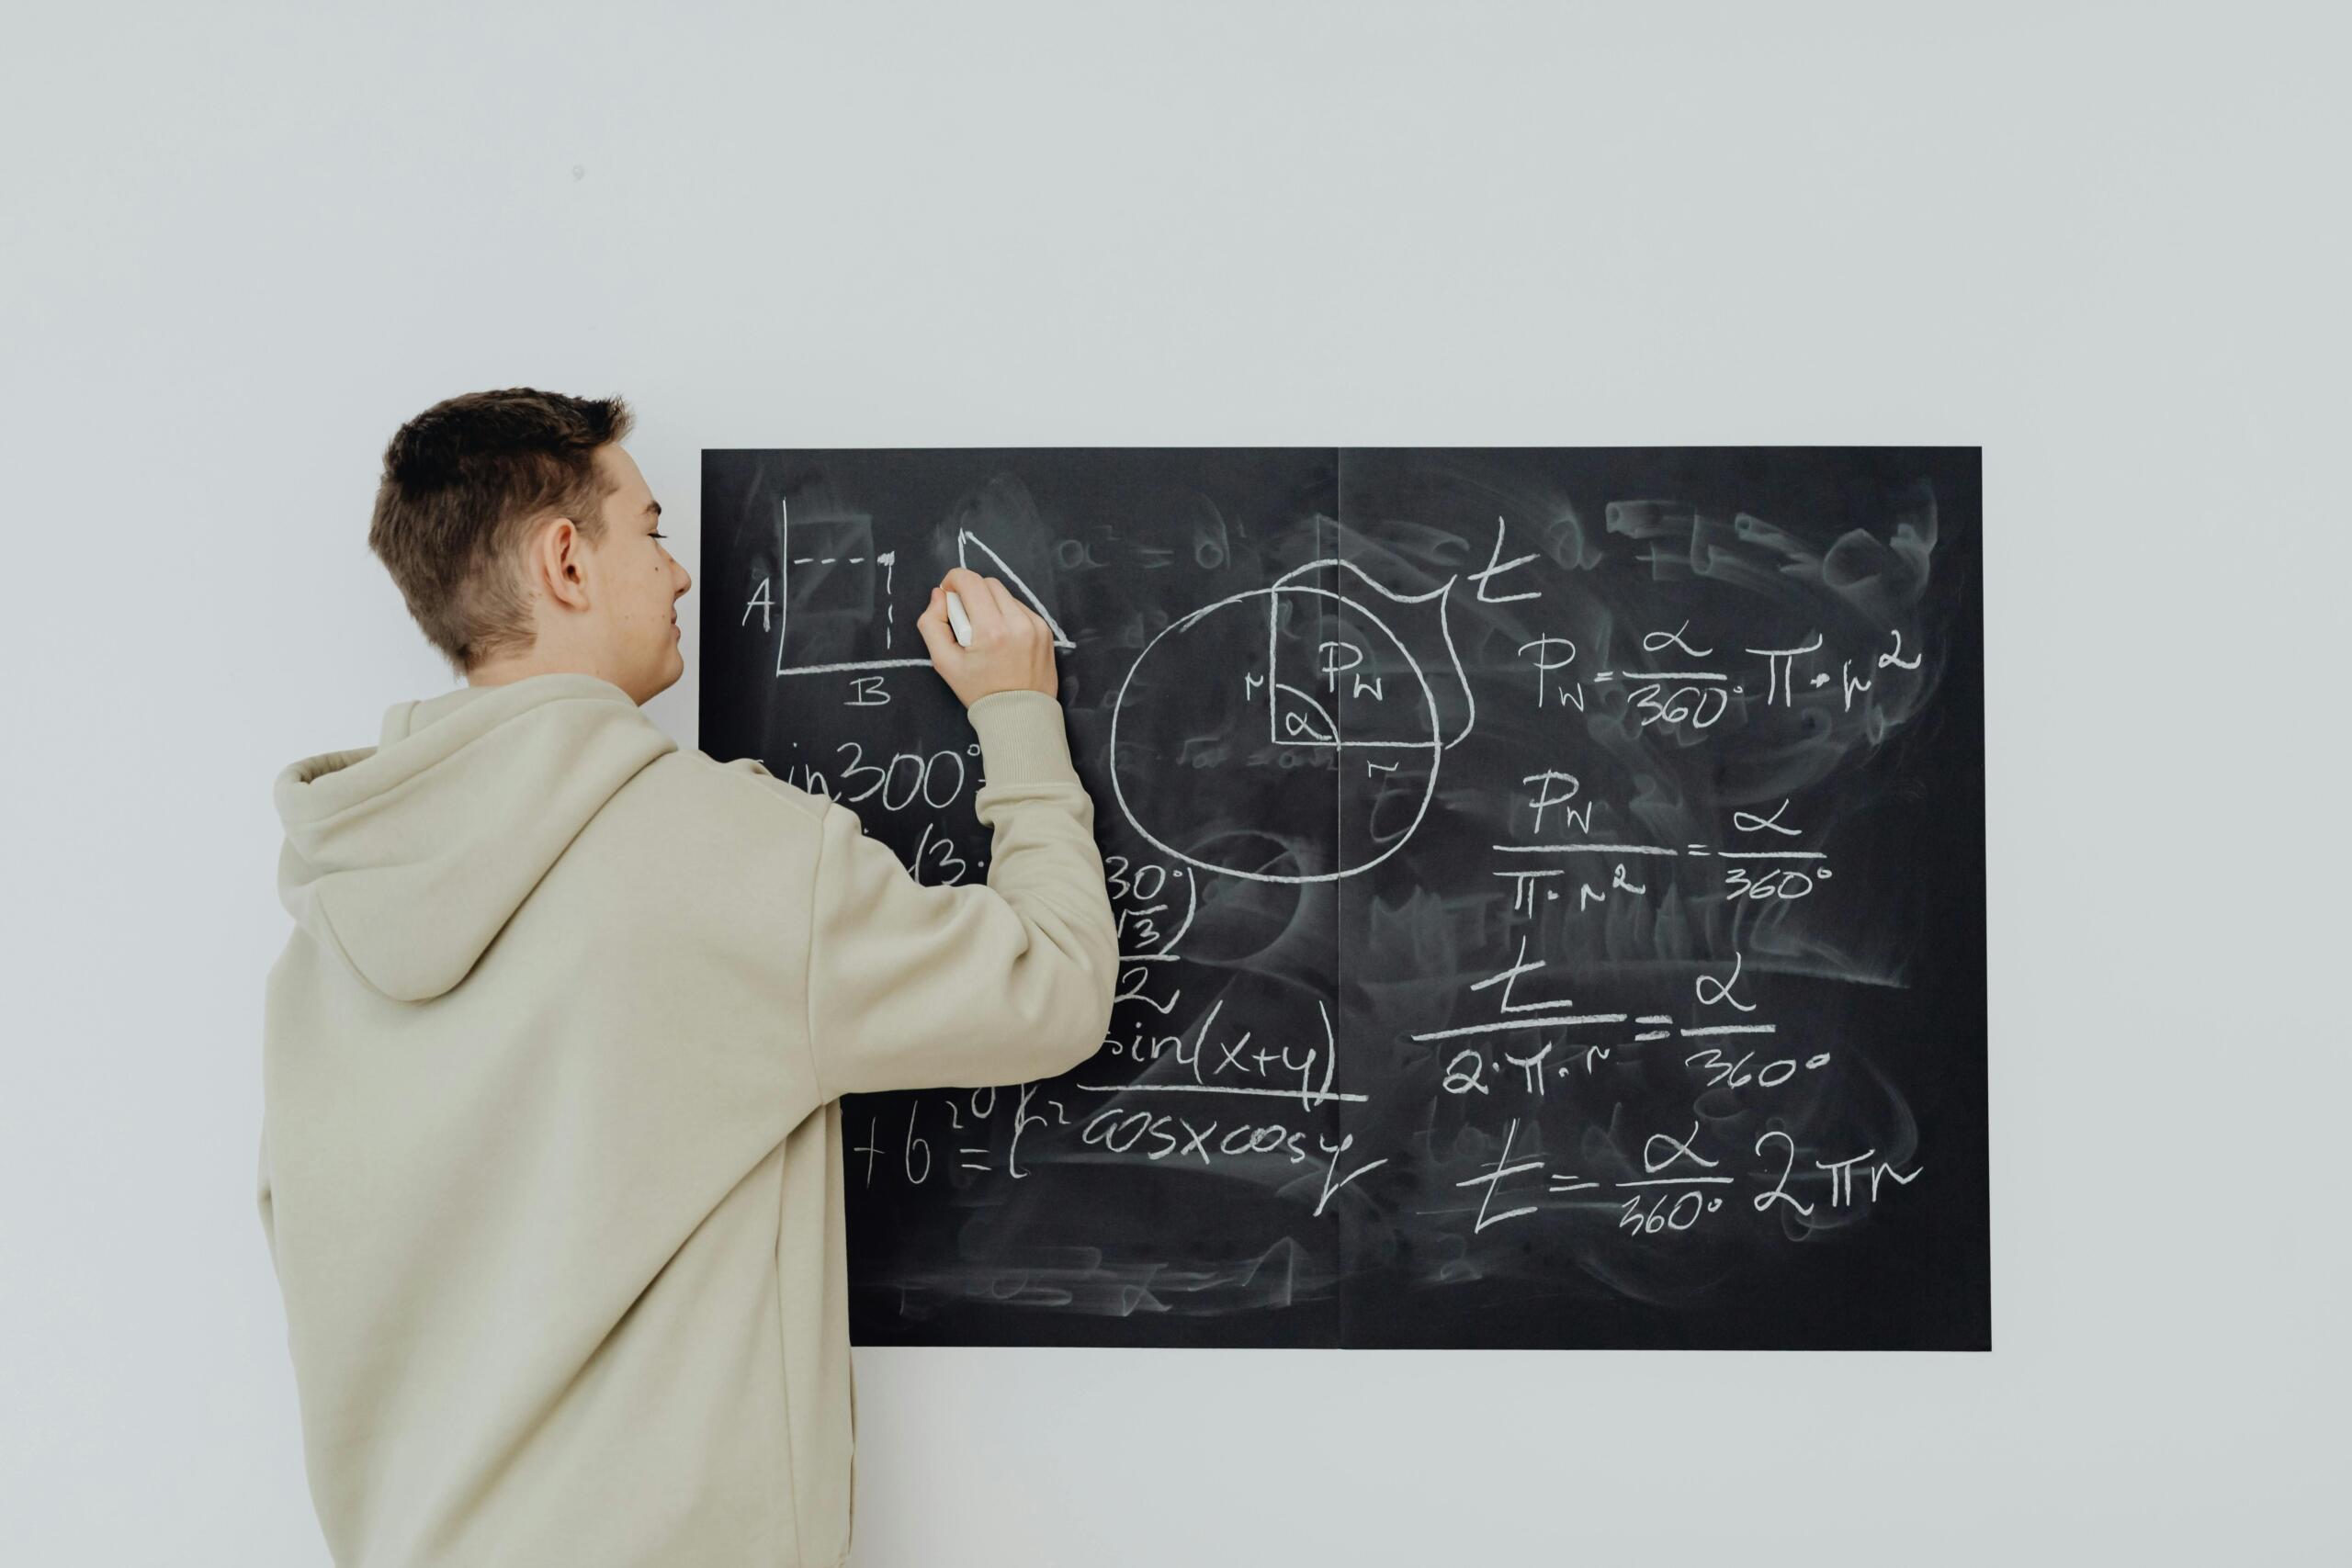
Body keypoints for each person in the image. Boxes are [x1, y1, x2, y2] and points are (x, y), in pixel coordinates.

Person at [259, 387, 1118, 1566]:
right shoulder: (727, 857)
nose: (678, 574)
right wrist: (1018, 717)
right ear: (566, 560)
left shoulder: (328, 935)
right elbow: (1055, 985)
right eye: (652, 531)